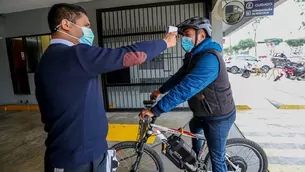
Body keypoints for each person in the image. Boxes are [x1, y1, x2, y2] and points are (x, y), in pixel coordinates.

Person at [35, 3, 177, 172]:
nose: (89, 31)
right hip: (75, 160)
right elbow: (129, 55)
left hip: (85, 153)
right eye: (86, 25)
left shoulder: (51, 58)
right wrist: (164, 43)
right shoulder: (73, 54)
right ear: (66, 25)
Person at [139, 17, 236, 172]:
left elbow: (186, 88)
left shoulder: (210, 59)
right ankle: (196, 161)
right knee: (194, 128)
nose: (185, 38)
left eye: (188, 34)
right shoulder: (193, 56)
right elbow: (179, 76)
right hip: (203, 112)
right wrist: (161, 90)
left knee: (217, 159)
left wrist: (155, 110)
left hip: (218, 116)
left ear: (202, 35)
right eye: (183, 34)